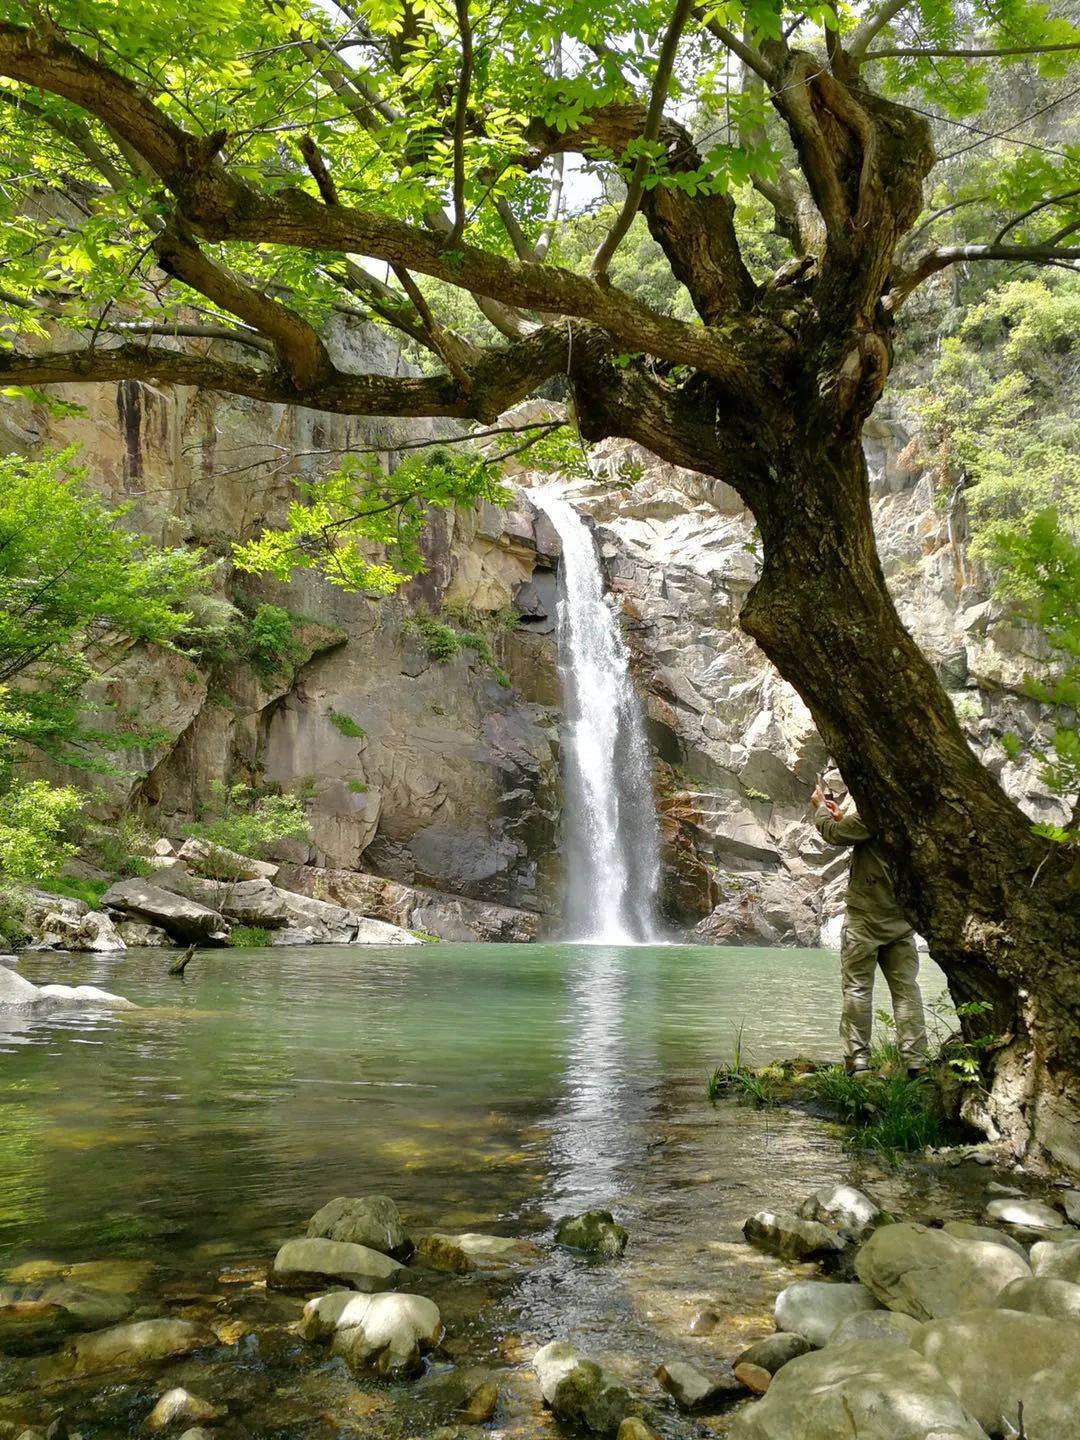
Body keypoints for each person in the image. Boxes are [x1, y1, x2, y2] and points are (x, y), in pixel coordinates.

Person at [811, 781, 928, 1077]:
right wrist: (842, 817)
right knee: (906, 991)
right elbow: (858, 830)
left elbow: (835, 834)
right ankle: (915, 1063)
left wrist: (820, 809)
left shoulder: (877, 809)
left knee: (857, 989)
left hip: (864, 918)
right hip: (901, 920)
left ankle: (858, 1062)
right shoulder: (915, 811)